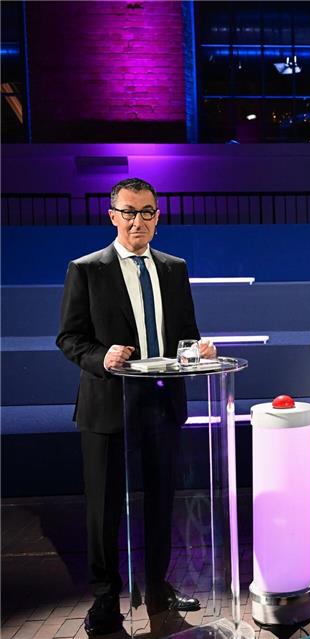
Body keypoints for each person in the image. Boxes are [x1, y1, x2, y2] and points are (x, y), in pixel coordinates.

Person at [57, 178, 216, 635]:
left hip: (162, 404)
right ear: (113, 216)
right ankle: (105, 600)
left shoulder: (173, 268)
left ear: (158, 218)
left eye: (147, 212)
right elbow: (69, 337)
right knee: (104, 510)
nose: (137, 221)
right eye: (128, 212)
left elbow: (184, 331)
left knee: (161, 503)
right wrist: (100, 357)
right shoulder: (87, 269)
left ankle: (158, 587)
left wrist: (197, 350)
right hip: (107, 408)